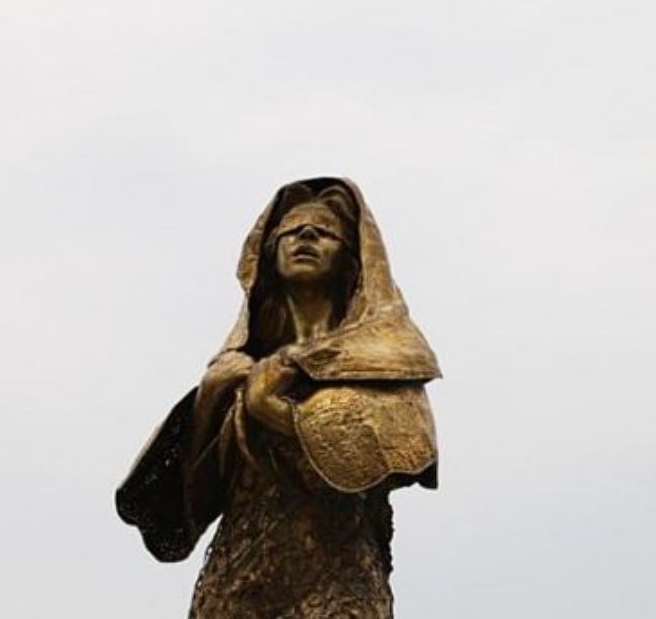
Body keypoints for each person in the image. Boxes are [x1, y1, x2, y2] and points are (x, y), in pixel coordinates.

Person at [117, 178, 441, 618]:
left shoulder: (383, 364)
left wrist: (270, 410)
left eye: (324, 232)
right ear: (270, 254)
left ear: (349, 259)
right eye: (292, 230)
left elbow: (382, 462)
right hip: (236, 581)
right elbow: (189, 504)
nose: (306, 235)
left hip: (336, 579)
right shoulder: (237, 372)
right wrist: (211, 400)